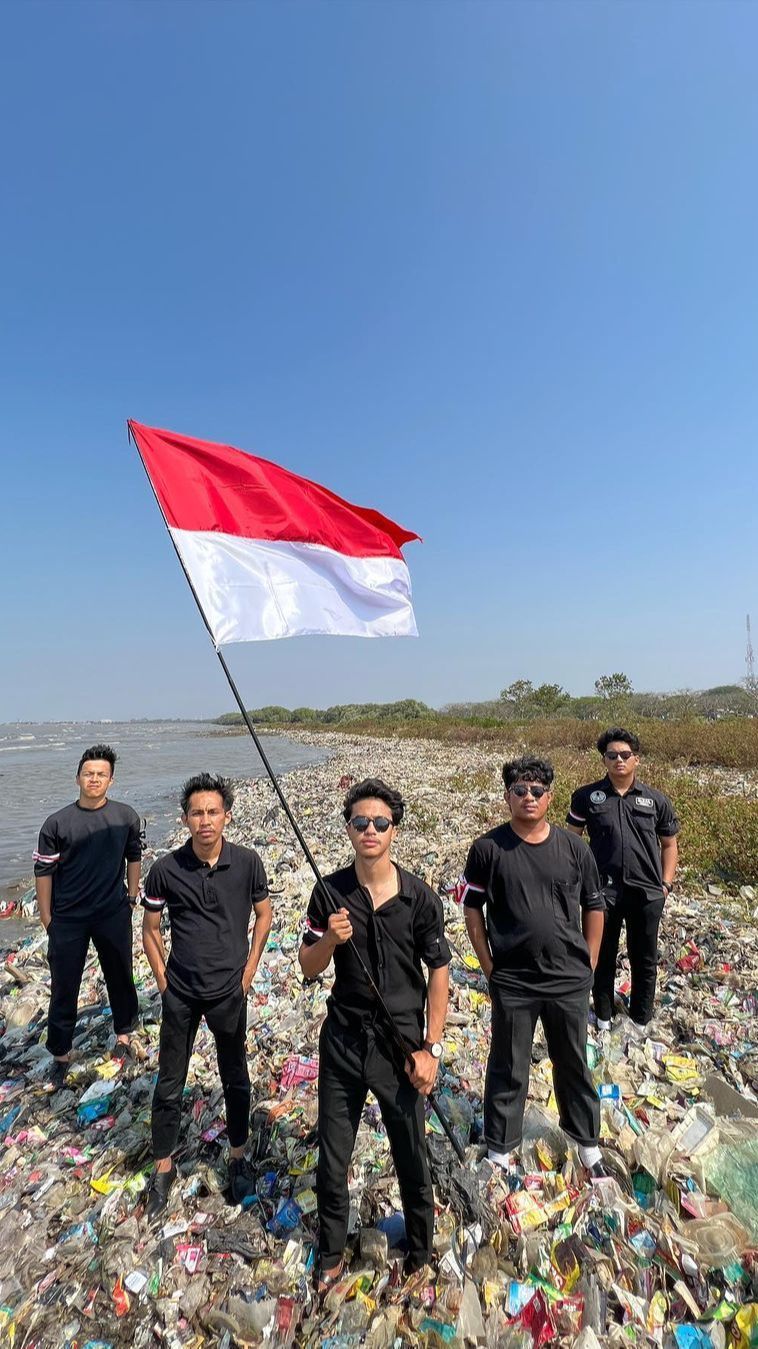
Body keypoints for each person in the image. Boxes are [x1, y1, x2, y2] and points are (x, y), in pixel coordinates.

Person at [299, 778, 451, 1291]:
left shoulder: (420, 898)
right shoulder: (329, 892)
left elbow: (439, 973)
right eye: (361, 822)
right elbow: (307, 966)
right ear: (348, 829)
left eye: (380, 823)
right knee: (333, 1156)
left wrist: (431, 1048)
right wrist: (331, 940)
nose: (370, 830)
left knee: (411, 1151)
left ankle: (421, 1248)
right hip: (342, 1038)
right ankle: (331, 1252)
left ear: (394, 830)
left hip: (402, 1045)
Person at [460, 756, 606, 1177]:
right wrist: (489, 966)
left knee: (574, 1063)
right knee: (508, 1064)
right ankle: (500, 1150)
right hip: (514, 980)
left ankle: (587, 1144)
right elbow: (473, 910)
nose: (528, 797)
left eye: (537, 791)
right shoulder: (488, 849)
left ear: (550, 797)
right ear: (507, 796)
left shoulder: (574, 848)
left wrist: (590, 962)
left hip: (569, 979)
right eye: (520, 791)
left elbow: (594, 906)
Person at [141, 772, 272, 1216]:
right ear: (184, 820)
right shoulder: (165, 870)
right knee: (169, 1081)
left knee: (235, 1076)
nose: (205, 820)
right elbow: (151, 929)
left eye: (213, 812)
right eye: (197, 813)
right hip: (181, 990)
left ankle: (237, 1158)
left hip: (228, 992)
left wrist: (250, 968)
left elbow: (264, 912)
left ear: (227, 816)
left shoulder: (248, 862)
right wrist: (164, 980)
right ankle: (163, 1166)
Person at [33, 744, 142, 1087]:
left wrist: (133, 896)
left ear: (111, 779)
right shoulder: (57, 823)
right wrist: (47, 916)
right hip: (68, 917)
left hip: (112, 911)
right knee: (65, 984)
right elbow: (43, 872)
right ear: (77, 777)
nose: (94, 779)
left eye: (101, 774)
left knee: (120, 976)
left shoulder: (126, 817)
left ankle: (124, 1035)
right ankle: (60, 1053)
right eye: (88, 774)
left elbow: (133, 856)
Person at [567, 727, 679, 1031]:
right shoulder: (587, 797)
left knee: (644, 959)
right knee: (602, 957)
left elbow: (669, 845)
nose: (619, 760)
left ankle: (641, 1019)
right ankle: (603, 1016)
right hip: (602, 893)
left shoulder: (655, 800)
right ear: (604, 760)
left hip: (646, 894)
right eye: (612, 755)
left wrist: (665, 885)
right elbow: (572, 844)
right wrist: (578, 885)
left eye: (625, 755)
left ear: (636, 760)